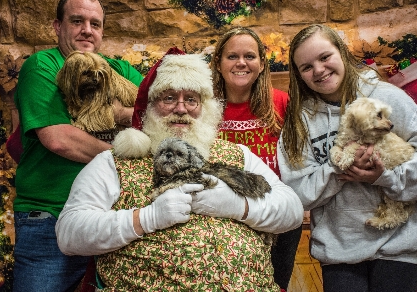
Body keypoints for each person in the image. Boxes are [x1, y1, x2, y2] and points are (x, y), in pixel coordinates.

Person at [55, 47, 304, 291]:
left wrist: (240, 207)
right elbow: (69, 233)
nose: (181, 108)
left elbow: (292, 210)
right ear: (149, 106)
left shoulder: (237, 154)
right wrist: (146, 218)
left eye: (191, 99)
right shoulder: (114, 162)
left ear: (204, 107)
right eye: (169, 97)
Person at [12, 0, 143, 290]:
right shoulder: (43, 65)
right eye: (77, 21)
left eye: (95, 23)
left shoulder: (120, 70)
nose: (87, 29)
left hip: (113, 219)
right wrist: (129, 159)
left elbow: (157, 110)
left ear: (102, 31)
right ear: (57, 27)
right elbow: (59, 139)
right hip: (51, 219)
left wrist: (119, 112)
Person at [277, 24, 417, 292]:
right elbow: (298, 194)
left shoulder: (387, 99)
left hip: (401, 245)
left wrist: (385, 177)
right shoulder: (299, 123)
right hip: (340, 251)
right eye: (306, 67)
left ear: (341, 53)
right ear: (298, 75)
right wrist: (337, 170)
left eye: (324, 57)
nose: (318, 70)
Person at [210, 26, 302, 292]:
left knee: (276, 286)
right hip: (226, 218)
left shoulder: (282, 102)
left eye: (250, 56)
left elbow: (300, 157)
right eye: (232, 56)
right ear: (218, 63)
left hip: (277, 214)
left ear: (262, 63)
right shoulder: (203, 107)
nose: (241, 63)